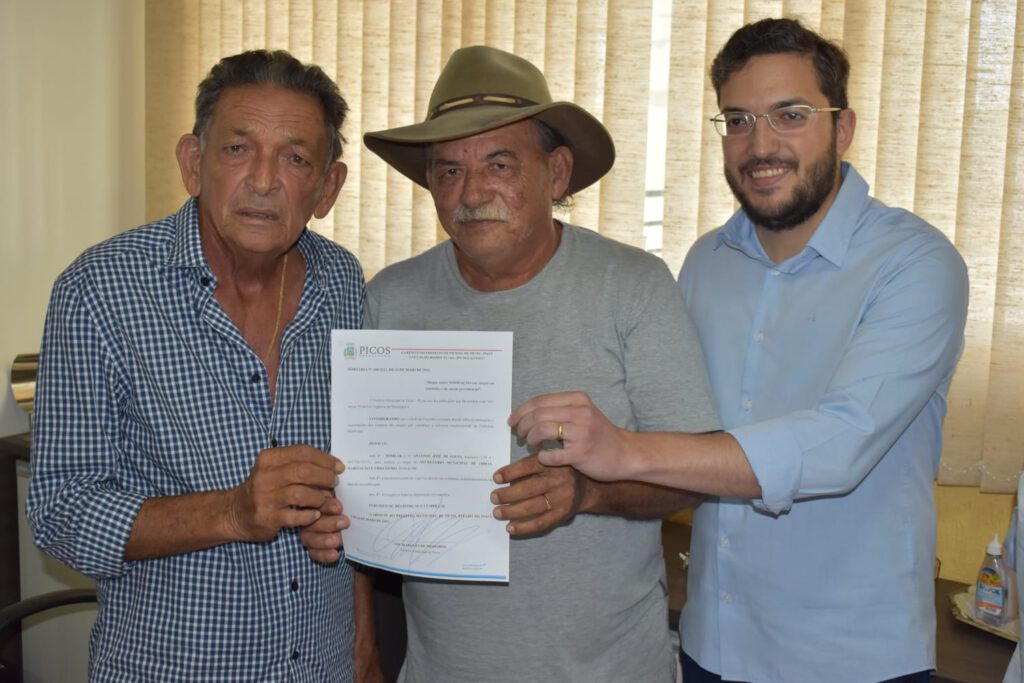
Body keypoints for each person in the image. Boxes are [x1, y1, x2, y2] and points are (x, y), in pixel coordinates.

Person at [510, 18, 969, 683]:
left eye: (791, 115)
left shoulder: (915, 264)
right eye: (737, 120)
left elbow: (838, 444)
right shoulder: (706, 261)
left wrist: (626, 450)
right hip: (713, 643)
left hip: (852, 657)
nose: (760, 145)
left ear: (842, 128)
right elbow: (677, 418)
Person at [300, 45, 720, 683]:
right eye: (449, 171)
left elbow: (693, 472)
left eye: (499, 164)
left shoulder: (632, 285)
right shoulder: (391, 297)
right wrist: (342, 526)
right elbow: (359, 484)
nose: (472, 193)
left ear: (556, 173)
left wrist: (588, 493)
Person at [28, 50, 369, 681]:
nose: (263, 180)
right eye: (238, 149)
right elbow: (61, 513)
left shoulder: (343, 283)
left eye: (295, 158)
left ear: (327, 188)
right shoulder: (100, 291)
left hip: (322, 664)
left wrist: (363, 645)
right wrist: (232, 512)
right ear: (193, 163)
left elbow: (359, 478)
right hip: (172, 667)